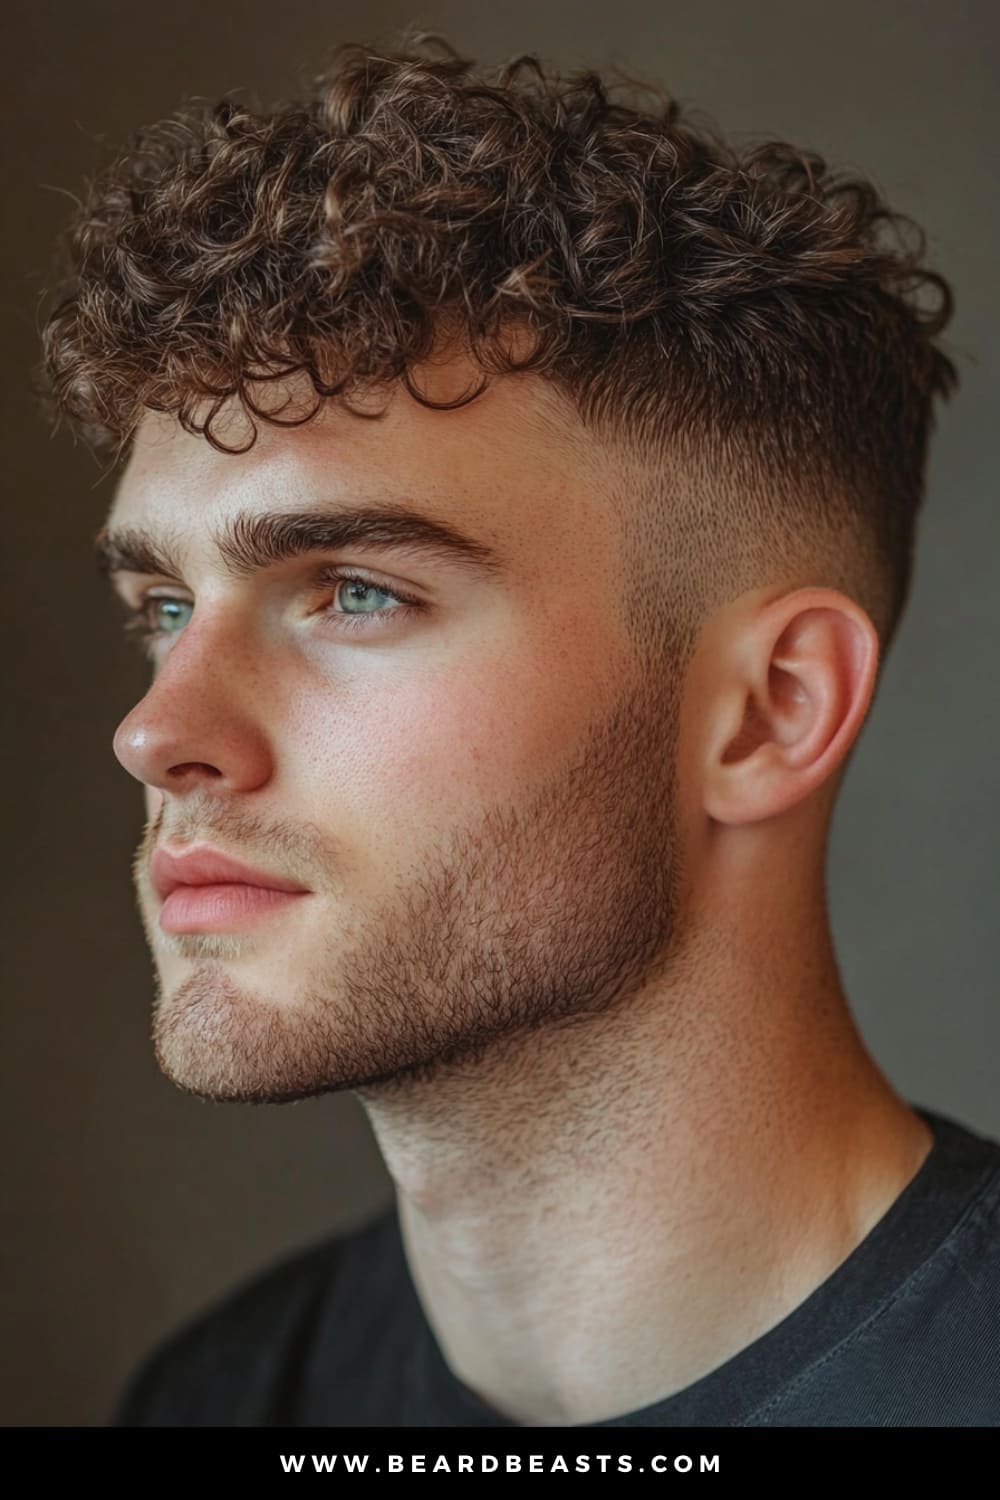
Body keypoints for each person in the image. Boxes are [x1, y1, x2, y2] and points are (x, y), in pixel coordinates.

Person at [38, 32, 999, 1428]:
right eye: (167, 603)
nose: (157, 733)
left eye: (356, 592)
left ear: (768, 712)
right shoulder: (216, 1396)